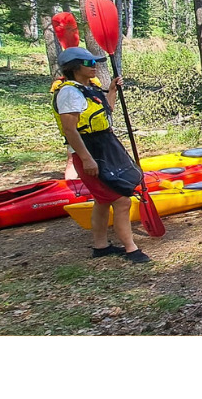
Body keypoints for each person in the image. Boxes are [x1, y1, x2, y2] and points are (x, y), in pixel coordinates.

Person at [52, 47, 150, 262]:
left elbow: (105, 113)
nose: (94, 66)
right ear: (75, 67)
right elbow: (70, 130)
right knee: (122, 200)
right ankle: (131, 249)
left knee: (103, 201)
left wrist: (112, 90)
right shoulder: (69, 93)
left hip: (105, 146)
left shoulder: (88, 88)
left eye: (94, 62)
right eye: (89, 63)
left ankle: (101, 246)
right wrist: (86, 158)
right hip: (90, 151)